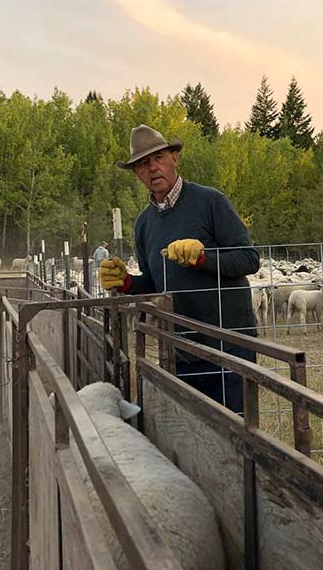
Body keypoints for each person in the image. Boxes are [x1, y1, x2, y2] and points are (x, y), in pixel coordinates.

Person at [99, 124, 259, 413]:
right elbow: (153, 284)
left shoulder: (211, 202)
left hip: (230, 343)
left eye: (158, 158)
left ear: (175, 158)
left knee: (237, 434)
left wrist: (203, 258)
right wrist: (125, 284)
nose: (152, 168)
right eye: (143, 164)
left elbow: (249, 259)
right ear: (136, 174)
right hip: (181, 349)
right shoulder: (144, 224)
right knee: (194, 434)